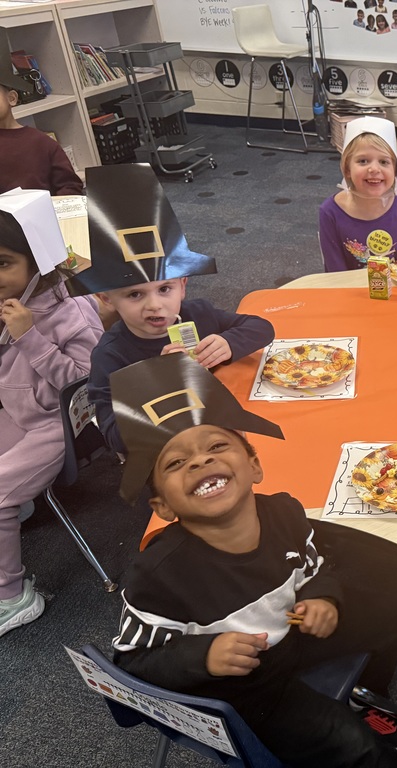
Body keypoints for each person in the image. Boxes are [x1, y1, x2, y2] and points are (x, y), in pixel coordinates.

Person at [109, 354, 397, 765]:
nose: (200, 460)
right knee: (354, 747)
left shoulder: (284, 513)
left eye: (217, 446)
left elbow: (315, 566)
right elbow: (131, 664)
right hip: (245, 685)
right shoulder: (158, 576)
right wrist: (202, 656)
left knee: (386, 613)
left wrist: (323, 597)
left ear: (254, 465)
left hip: (292, 629)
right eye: (177, 463)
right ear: (163, 506)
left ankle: (363, 699)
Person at [68, 164, 274, 456]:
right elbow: (114, 436)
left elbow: (262, 328)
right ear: (106, 298)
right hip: (170, 454)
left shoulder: (198, 315)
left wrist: (228, 343)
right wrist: (160, 385)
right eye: (135, 294)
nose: (155, 304)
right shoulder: (111, 356)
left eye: (165, 289)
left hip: (224, 427)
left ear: (183, 285)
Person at [0, 189, 102, 637]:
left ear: (37, 264)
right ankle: (17, 506)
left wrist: (30, 337)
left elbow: (86, 383)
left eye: (3, 263)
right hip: (18, 411)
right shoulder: (8, 301)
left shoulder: (71, 313)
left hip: (57, 425)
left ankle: (12, 596)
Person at [319, 117, 397, 271]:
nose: (374, 169)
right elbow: (335, 272)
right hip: (349, 285)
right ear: (347, 169)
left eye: (384, 162)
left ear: (395, 170)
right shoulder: (330, 212)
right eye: (363, 161)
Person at [0, 72, 83, 197]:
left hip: (45, 207)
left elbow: (70, 185)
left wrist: (53, 206)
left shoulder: (42, 142)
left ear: (12, 98)